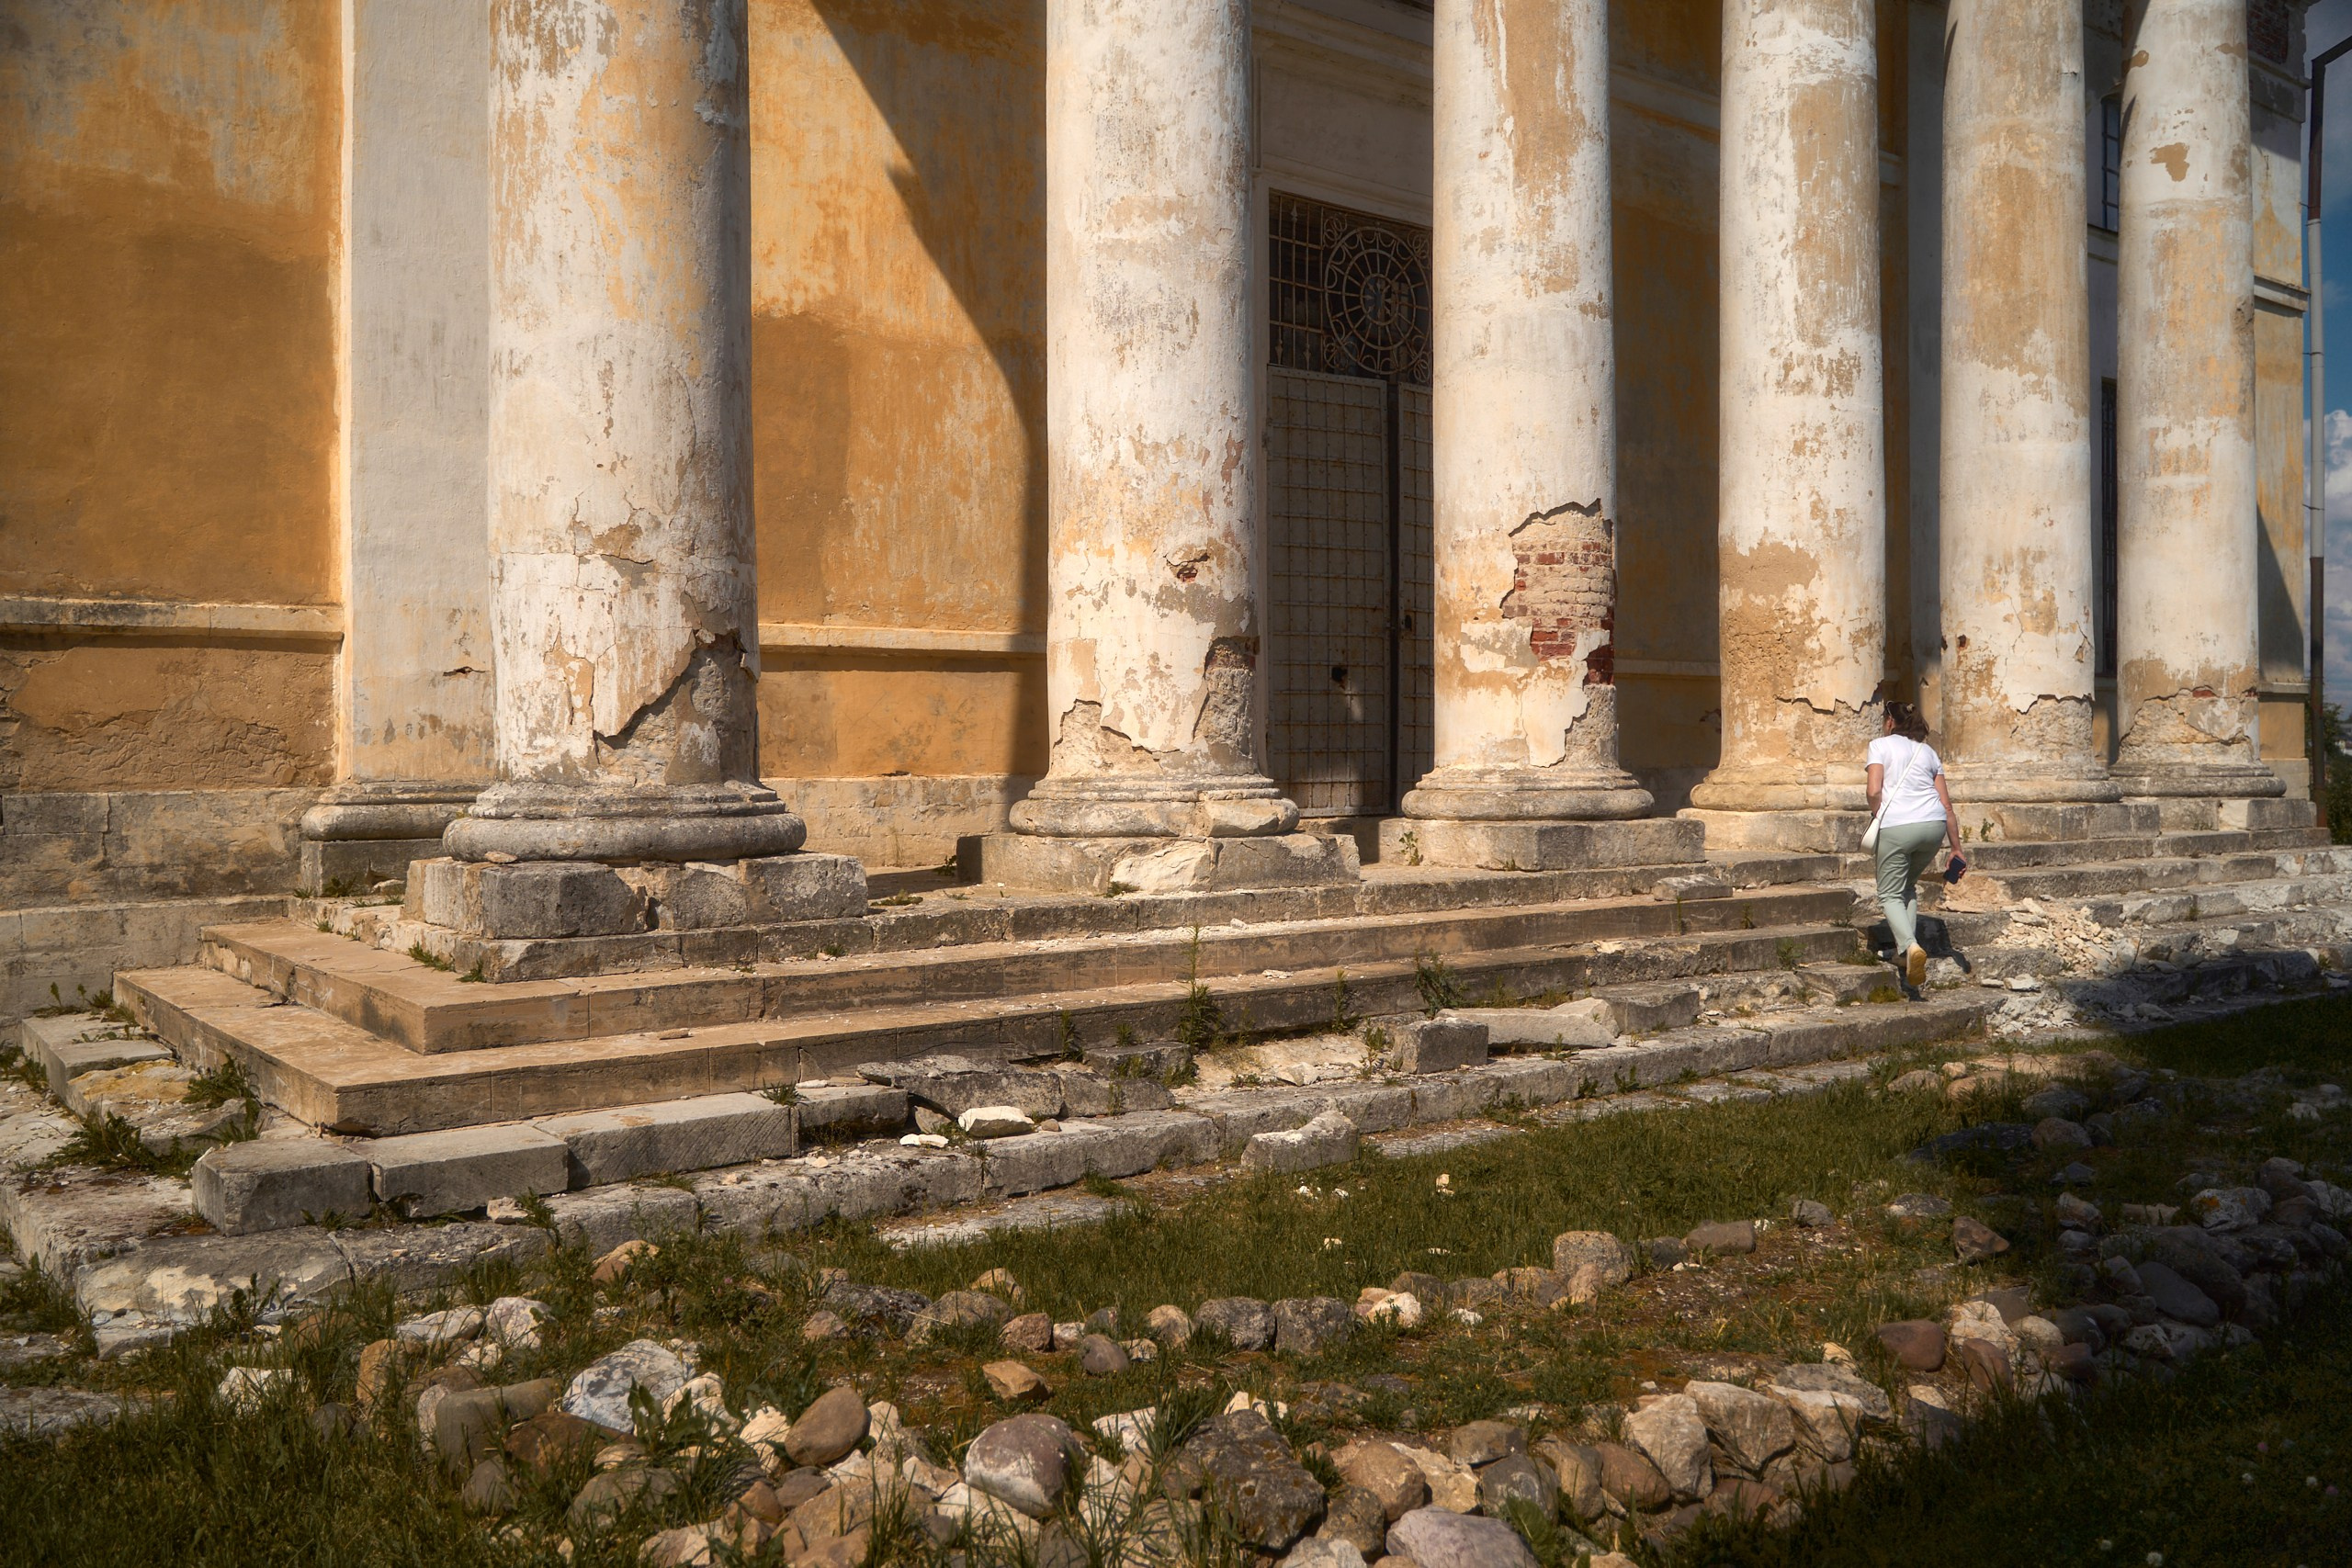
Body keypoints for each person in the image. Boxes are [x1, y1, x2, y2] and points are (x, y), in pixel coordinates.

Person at [1865, 702, 1958, 989]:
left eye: (1884, 718)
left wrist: (1876, 811)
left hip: (1898, 825)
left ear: (1891, 721)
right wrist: (1957, 849)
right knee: (1907, 887)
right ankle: (1906, 955)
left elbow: (1873, 790)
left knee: (1888, 894)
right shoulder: (1927, 751)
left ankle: (1910, 947)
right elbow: (1947, 804)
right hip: (1934, 826)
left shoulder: (1880, 745)